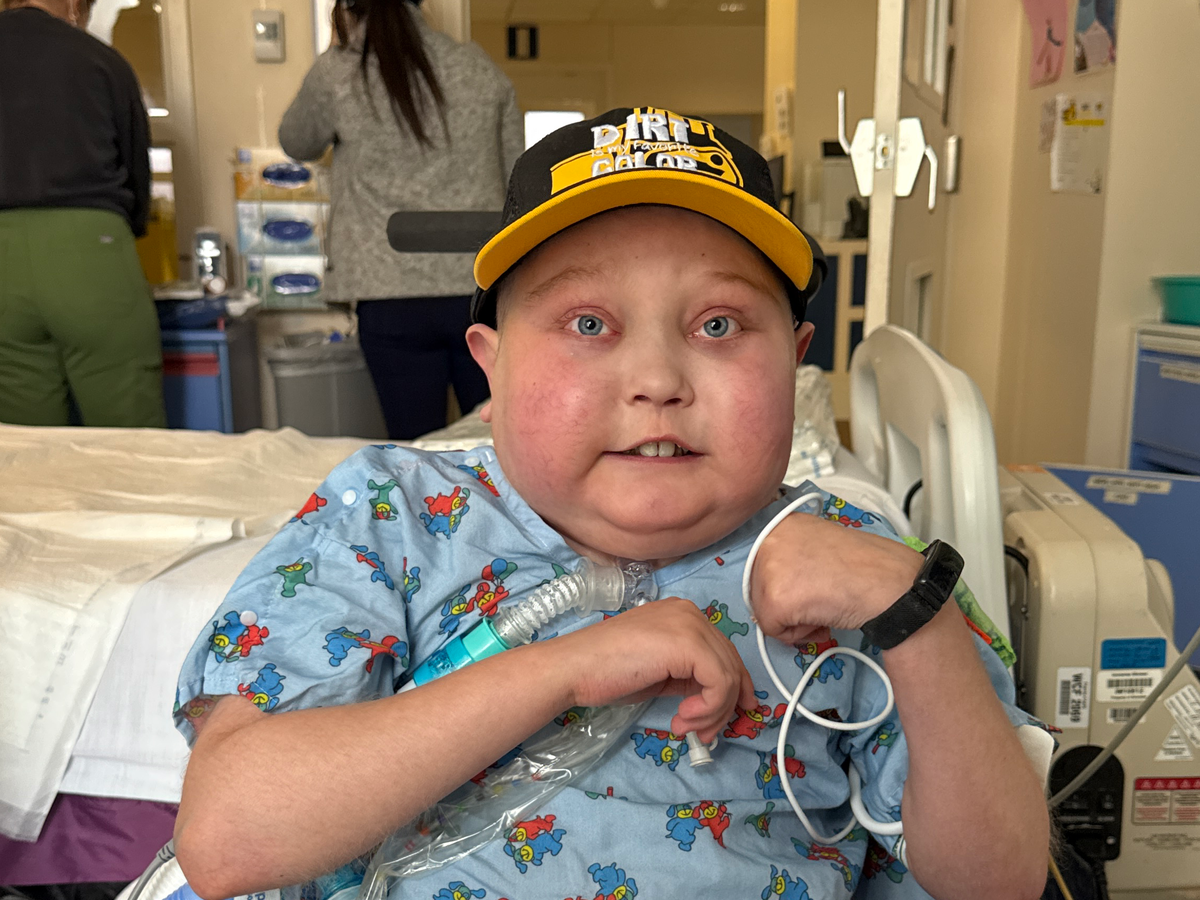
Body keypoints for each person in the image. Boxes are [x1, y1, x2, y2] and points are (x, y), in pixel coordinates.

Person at [172, 109, 1049, 900]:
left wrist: (918, 620)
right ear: (491, 365)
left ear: (795, 358)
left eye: (718, 325)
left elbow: (1000, 880)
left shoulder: (853, 566)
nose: (658, 380)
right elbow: (228, 839)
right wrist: (568, 667)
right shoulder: (391, 520)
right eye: (589, 324)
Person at [279, 0, 523, 441]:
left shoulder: (339, 72)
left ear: (348, 8)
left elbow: (296, 141)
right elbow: (514, 182)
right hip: (476, 287)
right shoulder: (479, 69)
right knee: (498, 441)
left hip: (388, 292)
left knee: (413, 448)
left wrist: (340, 47)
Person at [0, 0, 164, 428]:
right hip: (90, 250)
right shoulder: (100, 61)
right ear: (75, 5)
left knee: (26, 442)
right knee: (130, 434)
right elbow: (136, 175)